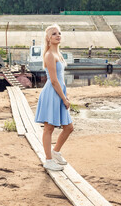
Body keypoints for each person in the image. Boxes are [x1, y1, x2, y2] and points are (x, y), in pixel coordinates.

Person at [35, 24, 74, 171]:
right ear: (48, 38)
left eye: (59, 33)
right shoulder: (49, 55)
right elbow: (53, 80)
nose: (58, 35)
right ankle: (48, 160)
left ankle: (55, 151)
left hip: (59, 92)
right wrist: (64, 98)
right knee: (49, 128)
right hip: (52, 94)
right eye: (54, 34)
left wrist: (65, 95)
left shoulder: (59, 54)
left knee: (69, 128)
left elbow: (61, 79)